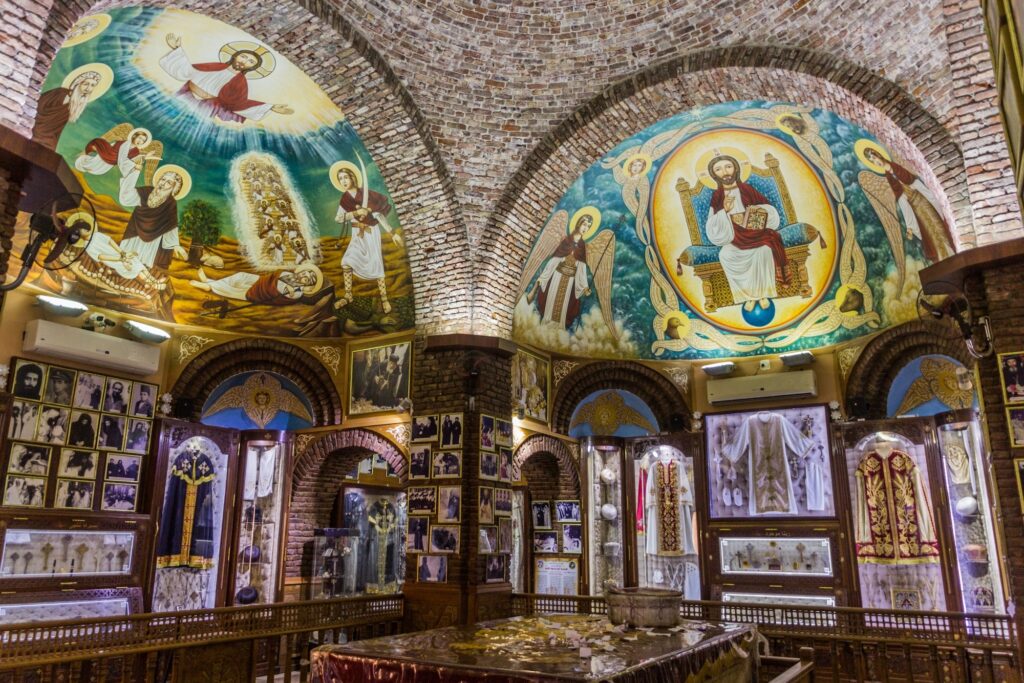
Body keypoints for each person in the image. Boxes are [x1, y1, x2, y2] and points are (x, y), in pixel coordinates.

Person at [702, 154, 786, 312]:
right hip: (734, 238)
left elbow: (770, 211)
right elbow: (712, 225)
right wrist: (724, 213)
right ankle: (746, 297)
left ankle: (763, 295)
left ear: (735, 169)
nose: (725, 172)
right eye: (718, 169)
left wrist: (755, 212)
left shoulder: (747, 189)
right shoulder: (717, 196)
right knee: (725, 255)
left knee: (764, 250)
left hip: (757, 235)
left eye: (728, 167)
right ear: (714, 175)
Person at [158, 34, 293, 123]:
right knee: (164, 115)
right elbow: (187, 71)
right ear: (236, 56)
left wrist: (270, 107)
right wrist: (177, 49)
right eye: (244, 57)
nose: (245, 62)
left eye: (251, 62)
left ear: (252, 67)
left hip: (206, 107)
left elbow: (239, 103)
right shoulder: (213, 66)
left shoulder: (240, 83)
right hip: (185, 96)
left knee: (187, 125)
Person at [862, 147, 954, 262]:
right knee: (929, 232)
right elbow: (900, 197)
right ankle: (943, 258)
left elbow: (912, 180)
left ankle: (952, 251)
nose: (877, 162)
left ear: (879, 155)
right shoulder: (888, 177)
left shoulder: (895, 167)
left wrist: (911, 187)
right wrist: (909, 226)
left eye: (875, 158)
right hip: (916, 209)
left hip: (923, 201)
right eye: (873, 162)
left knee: (937, 224)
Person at [332, 165, 403, 314]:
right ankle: (348, 296)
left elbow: (379, 215)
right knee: (346, 262)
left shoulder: (367, 194)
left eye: (346, 177)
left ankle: (384, 299)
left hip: (371, 233)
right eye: (340, 179)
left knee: (376, 264)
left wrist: (392, 233)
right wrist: (355, 212)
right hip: (357, 234)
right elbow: (338, 218)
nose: (343, 181)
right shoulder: (345, 198)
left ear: (352, 177)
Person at [116, 165, 190, 272]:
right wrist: (135, 171)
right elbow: (125, 198)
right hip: (134, 234)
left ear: (174, 188)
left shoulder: (171, 203)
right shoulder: (146, 192)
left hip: (151, 243)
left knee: (141, 268)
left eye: (169, 182)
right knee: (122, 263)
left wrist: (175, 245)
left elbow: (170, 226)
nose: (163, 183)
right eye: (163, 179)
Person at [526, 213, 593, 329]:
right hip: (557, 277)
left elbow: (581, 269)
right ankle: (545, 326)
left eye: (589, 226)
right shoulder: (566, 241)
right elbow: (554, 261)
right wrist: (544, 276)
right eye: (584, 224)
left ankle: (557, 331)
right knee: (551, 305)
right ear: (579, 224)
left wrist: (585, 287)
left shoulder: (582, 247)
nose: (585, 228)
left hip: (570, 282)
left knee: (563, 308)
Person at [33, 70, 103, 148]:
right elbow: (39, 104)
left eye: (92, 85)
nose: (88, 88)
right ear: (78, 83)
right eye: (86, 84)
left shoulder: (77, 106)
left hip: (50, 140)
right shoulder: (60, 93)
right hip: (36, 129)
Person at [190, 264, 323, 305]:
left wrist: (288, 290)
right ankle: (209, 281)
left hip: (260, 294)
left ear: (307, 285)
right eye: (305, 273)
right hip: (260, 281)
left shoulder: (298, 292)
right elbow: (275, 276)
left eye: (307, 279)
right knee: (240, 276)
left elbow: (279, 297)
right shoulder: (289, 274)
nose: (304, 277)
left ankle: (209, 286)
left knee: (235, 291)